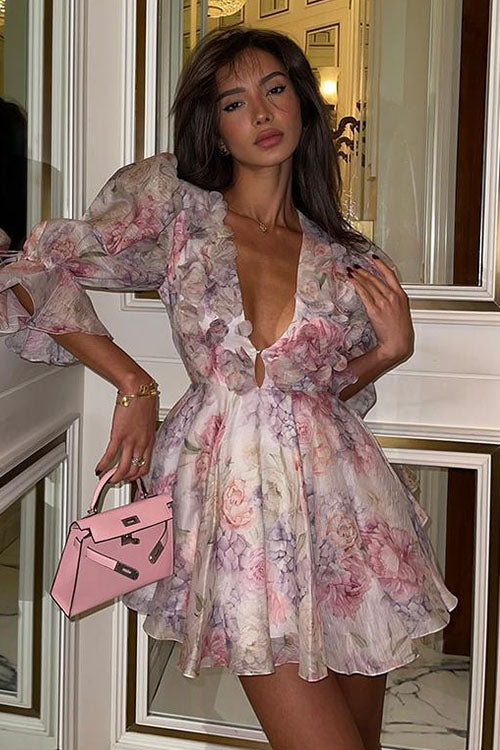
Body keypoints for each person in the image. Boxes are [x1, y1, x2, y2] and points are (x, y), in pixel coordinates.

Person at [0, 26, 458, 750]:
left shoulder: (349, 259)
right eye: (235, 102)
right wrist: (132, 383)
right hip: (237, 518)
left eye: (275, 89)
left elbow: (319, 400)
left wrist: (389, 352)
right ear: (214, 126)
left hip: (347, 517)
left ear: (302, 103)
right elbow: (37, 267)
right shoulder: (178, 210)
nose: (262, 113)